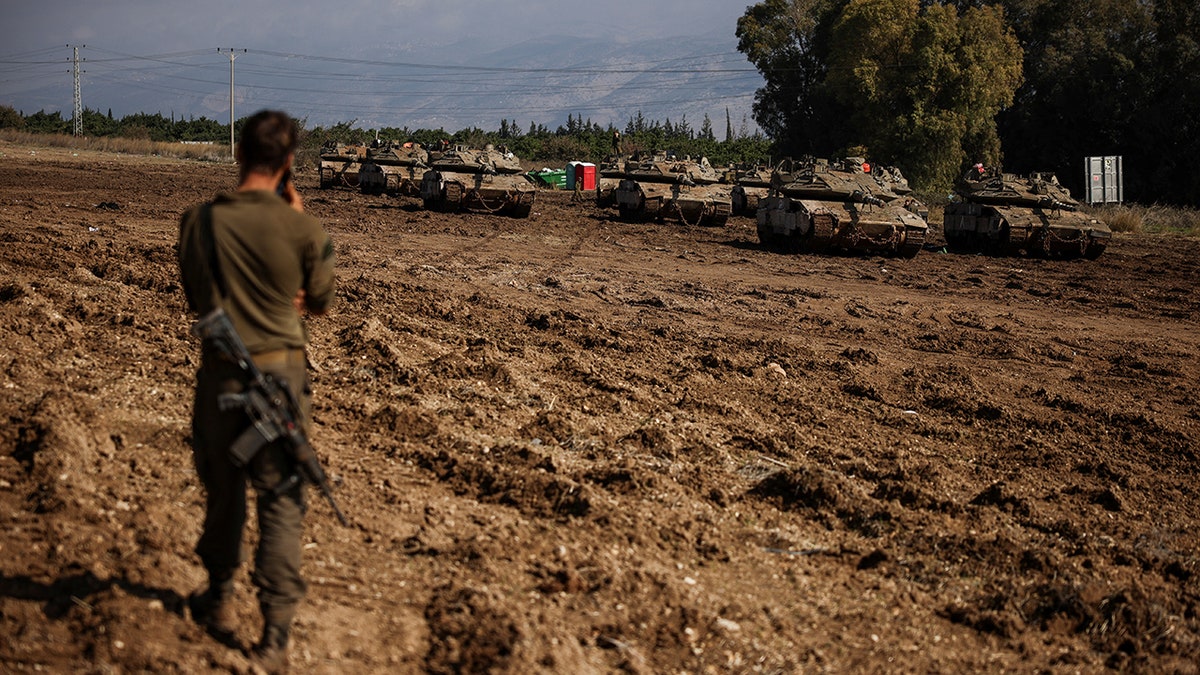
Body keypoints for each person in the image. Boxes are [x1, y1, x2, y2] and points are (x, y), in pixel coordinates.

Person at [177, 109, 335, 674]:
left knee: (223, 490)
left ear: (238, 154)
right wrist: (295, 224)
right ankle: (274, 633)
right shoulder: (304, 229)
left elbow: (199, 299)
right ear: (289, 162)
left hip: (222, 375)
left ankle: (218, 595)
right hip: (283, 378)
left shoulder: (199, 222)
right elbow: (319, 300)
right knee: (282, 500)